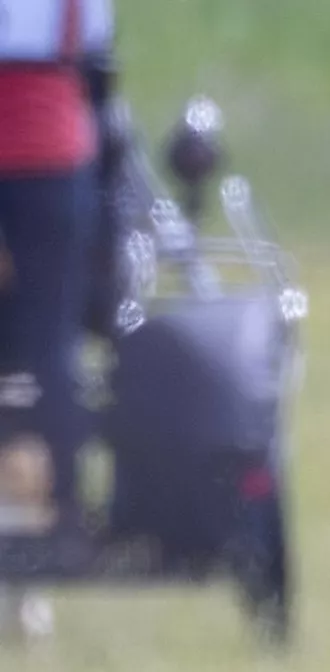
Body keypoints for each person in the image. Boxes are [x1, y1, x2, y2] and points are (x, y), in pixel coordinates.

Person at [0, 0, 117, 640]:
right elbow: (97, 62)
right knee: (52, 352)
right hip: (51, 150)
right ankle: (65, 513)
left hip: (40, 141)